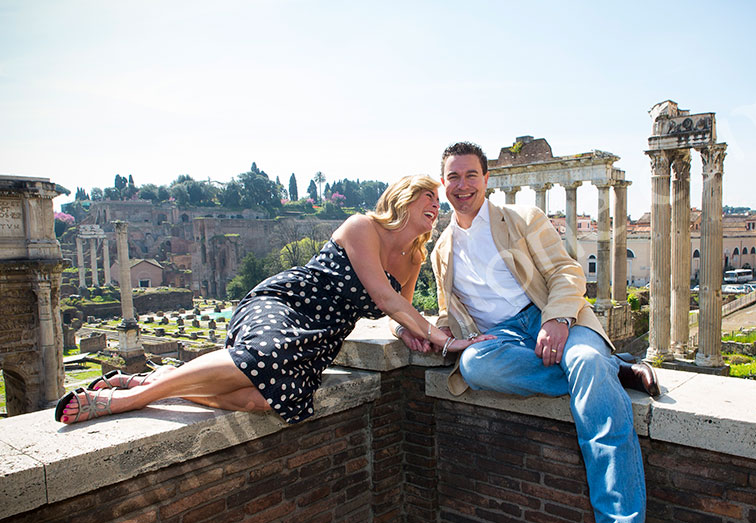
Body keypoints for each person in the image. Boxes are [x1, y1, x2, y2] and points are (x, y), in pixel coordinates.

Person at [55, 174, 493, 425]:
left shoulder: (412, 256)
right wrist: (442, 339)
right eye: (428, 197)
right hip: (285, 304)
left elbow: (397, 309)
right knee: (268, 356)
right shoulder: (363, 227)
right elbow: (382, 294)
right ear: (404, 199)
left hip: (318, 336)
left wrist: (410, 332)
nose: (437, 204)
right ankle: (127, 400)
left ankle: (159, 379)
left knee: (267, 401)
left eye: (438, 202)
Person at [425, 141, 656, 523]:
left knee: (585, 362)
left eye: (471, 175)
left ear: (486, 180)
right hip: (506, 338)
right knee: (475, 367)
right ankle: (610, 370)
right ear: (443, 184)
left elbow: (566, 274)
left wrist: (557, 318)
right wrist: (423, 334)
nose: (462, 185)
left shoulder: (523, 219)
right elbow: (450, 314)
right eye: (453, 177)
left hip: (554, 315)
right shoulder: (442, 250)